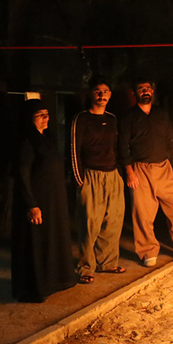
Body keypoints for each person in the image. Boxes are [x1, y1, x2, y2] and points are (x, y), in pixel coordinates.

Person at [118, 78, 173, 267]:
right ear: (135, 93)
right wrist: (130, 172)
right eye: (141, 89)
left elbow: (171, 140)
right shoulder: (128, 117)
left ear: (152, 92)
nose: (145, 91)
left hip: (164, 167)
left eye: (148, 88)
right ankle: (148, 251)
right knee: (143, 214)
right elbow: (122, 146)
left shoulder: (161, 114)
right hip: (140, 169)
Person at [11, 99, 77, 302]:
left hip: (52, 201)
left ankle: (55, 281)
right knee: (36, 244)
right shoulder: (26, 141)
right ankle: (34, 288)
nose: (46, 118)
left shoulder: (46, 137)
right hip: (38, 201)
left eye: (47, 114)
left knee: (52, 240)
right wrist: (32, 204)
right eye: (40, 115)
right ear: (30, 119)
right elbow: (23, 173)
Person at [70, 76, 126, 284]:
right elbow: (74, 150)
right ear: (91, 94)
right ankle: (86, 267)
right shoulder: (81, 118)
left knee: (112, 221)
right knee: (89, 224)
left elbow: (116, 148)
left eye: (106, 91)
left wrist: (119, 173)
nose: (102, 95)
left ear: (110, 95)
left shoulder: (112, 119)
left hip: (112, 175)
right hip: (90, 176)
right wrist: (79, 179)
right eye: (98, 91)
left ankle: (108, 262)